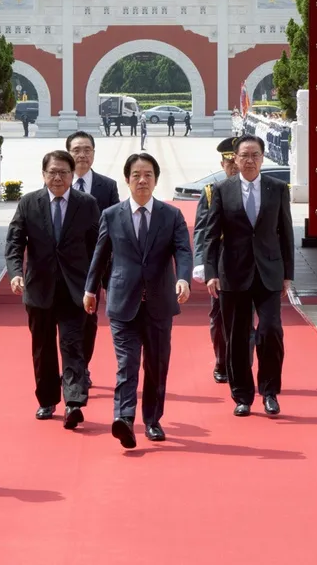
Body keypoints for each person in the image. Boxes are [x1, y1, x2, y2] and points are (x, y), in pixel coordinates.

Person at [84, 152, 192, 448]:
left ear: (156, 180)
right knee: (127, 363)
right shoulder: (112, 214)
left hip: (159, 302)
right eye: (136, 175)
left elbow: (183, 250)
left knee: (156, 365)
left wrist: (183, 277)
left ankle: (153, 420)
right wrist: (90, 289)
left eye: (148, 175)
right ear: (127, 180)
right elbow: (101, 254)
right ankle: (124, 419)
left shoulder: (171, 215)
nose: (142, 180)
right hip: (122, 301)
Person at [5, 150, 100, 426]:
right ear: (44, 174)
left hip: (76, 289)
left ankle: (73, 402)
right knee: (43, 348)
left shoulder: (87, 204)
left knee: (73, 345)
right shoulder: (28, 203)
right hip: (39, 288)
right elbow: (14, 242)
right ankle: (47, 400)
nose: (57, 177)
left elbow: (98, 247)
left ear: (72, 175)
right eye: (52, 172)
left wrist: (96, 284)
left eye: (63, 172)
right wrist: (15, 273)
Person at [204, 134, 295, 417]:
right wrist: (209, 273)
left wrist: (288, 274)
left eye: (255, 155)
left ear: (263, 157)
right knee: (238, 337)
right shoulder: (222, 189)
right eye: (244, 156)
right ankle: (242, 395)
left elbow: (286, 232)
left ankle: (269, 392)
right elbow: (210, 235)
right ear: (235, 158)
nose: (250, 161)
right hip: (233, 273)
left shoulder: (277, 188)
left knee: (270, 331)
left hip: (269, 271)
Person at [66, 131, 120, 381]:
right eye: (77, 150)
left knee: (87, 320)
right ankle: (70, 367)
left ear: (94, 154)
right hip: (63, 265)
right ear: (68, 153)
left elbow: (115, 227)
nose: (82, 155)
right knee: (65, 319)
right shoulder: (57, 181)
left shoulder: (107, 186)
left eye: (87, 149)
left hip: (93, 265)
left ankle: (81, 367)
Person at [193, 138, 242, 383]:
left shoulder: (254, 190)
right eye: (229, 162)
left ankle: (240, 365)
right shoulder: (211, 192)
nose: (234, 167)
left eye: (237, 161)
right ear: (222, 164)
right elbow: (201, 229)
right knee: (219, 317)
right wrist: (201, 262)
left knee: (247, 317)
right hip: (221, 261)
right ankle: (222, 361)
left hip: (247, 261)